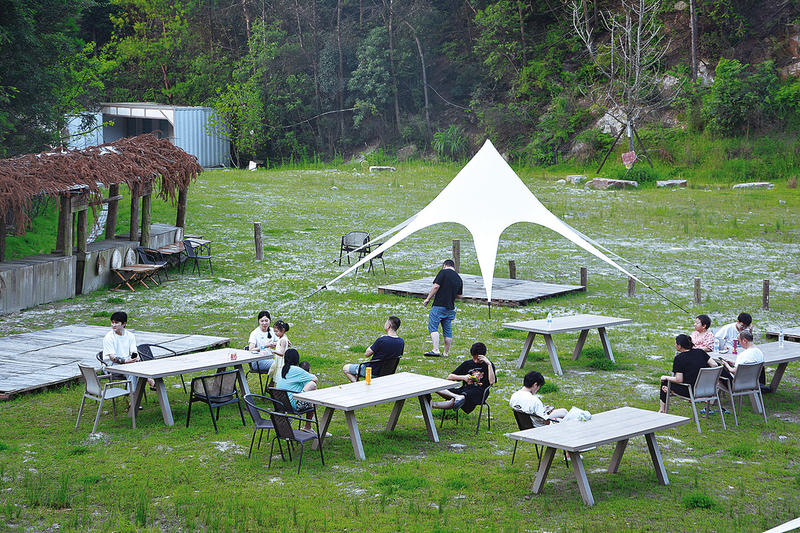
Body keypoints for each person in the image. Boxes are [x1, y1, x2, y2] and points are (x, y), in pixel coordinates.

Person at [658, 334, 718, 413]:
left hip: (690, 390)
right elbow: (715, 365)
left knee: (665, 383)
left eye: (676, 343)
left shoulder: (679, 359)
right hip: (706, 389)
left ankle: (662, 410)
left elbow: (679, 379)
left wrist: (665, 377)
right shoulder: (700, 352)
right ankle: (664, 404)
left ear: (679, 346)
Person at [432, 342, 496, 413]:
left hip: (479, 392)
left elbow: (492, 382)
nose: (475, 361)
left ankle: (432, 405)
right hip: (464, 389)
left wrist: (489, 364)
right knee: (437, 387)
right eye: (474, 358)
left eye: (478, 359)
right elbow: (450, 377)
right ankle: (456, 397)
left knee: (460, 399)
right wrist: (463, 377)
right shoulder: (467, 364)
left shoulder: (488, 365)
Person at [102, 311, 154, 394]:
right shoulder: (109, 337)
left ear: (123, 324)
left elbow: (133, 351)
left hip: (127, 362)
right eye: (112, 322)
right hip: (110, 365)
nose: (114, 325)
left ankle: (148, 384)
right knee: (131, 372)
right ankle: (134, 397)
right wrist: (125, 361)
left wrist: (134, 358)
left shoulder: (130, 336)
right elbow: (112, 357)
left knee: (139, 366)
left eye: (116, 323)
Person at [343, 316, 404, 382]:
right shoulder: (401, 342)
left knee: (346, 368)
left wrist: (376, 342)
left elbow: (367, 353)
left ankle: (359, 387)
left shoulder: (381, 340)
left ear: (388, 325)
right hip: (387, 373)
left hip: (372, 371)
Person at [422, 259, 463, 357]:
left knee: (433, 326)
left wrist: (428, 299)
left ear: (444, 265)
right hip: (450, 308)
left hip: (439, 305)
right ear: (454, 267)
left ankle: (435, 349)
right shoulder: (459, 278)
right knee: (447, 329)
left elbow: (436, 286)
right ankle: (446, 352)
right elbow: (459, 296)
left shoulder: (443, 272)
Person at [274, 348, 318, 431]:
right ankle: (308, 426)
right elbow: (315, 379)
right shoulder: (296, 369)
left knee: (309, 391)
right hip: (293, 405)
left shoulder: (283, 370)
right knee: (312, 385)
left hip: (281, 404)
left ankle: (308, 427)